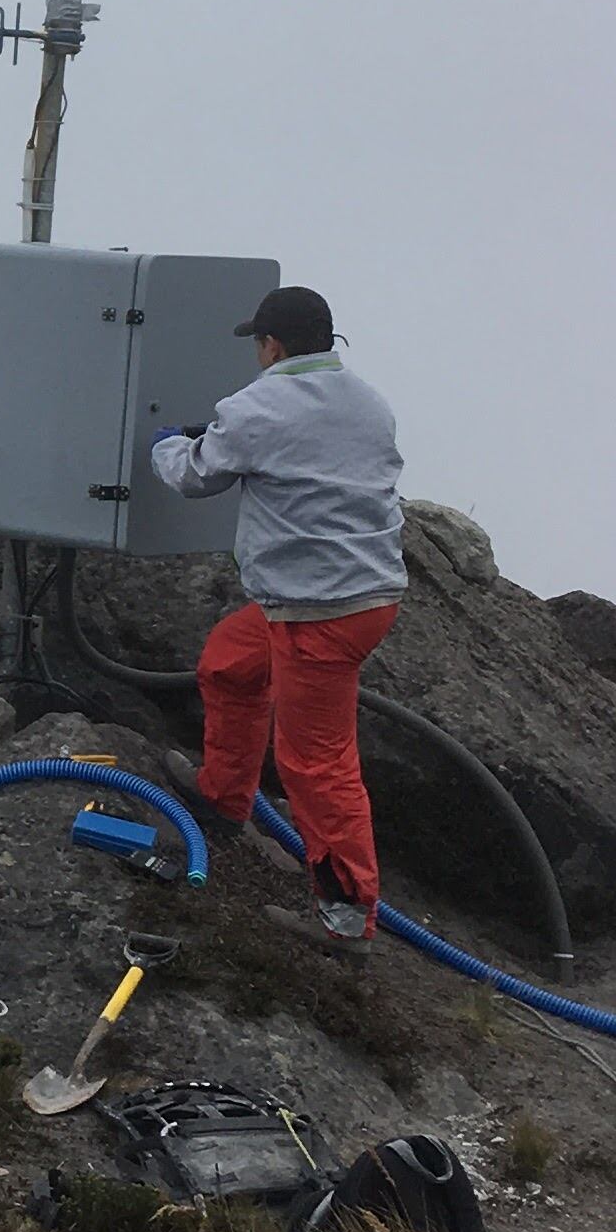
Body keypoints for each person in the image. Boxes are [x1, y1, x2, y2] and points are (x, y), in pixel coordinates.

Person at [149, 282, 404, 944]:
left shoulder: (259, 405)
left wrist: (164, 445)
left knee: (315, 764)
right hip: (363, 596)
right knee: (231, 664)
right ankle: (223, 799)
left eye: (258, 342)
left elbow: (195, 475)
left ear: (273, 345)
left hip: (317, 609)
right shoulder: (367, 403)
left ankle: (347, 919)